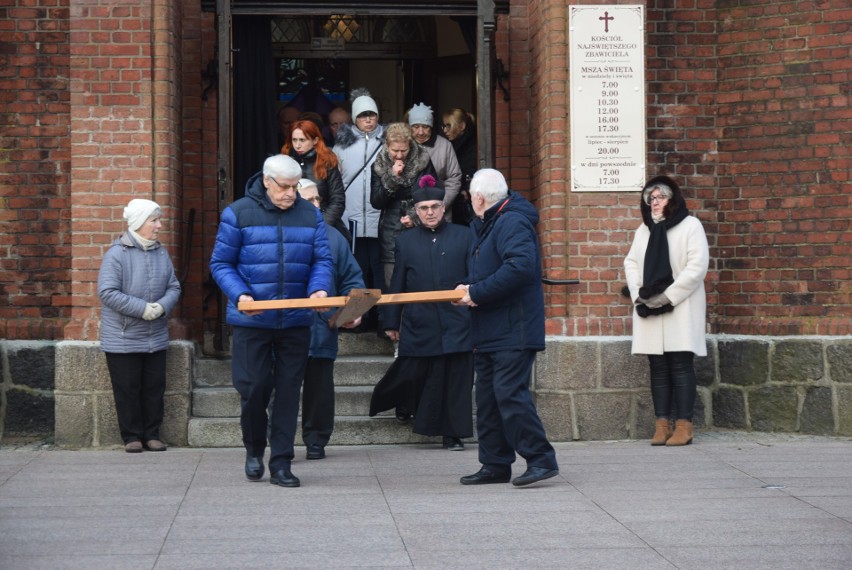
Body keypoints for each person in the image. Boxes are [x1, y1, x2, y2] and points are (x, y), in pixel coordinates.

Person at [210, 154, 333, 488]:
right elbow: (221, 263)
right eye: (284, 187)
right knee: (253, 389)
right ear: (266, 181)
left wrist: (319, 289)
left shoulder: (310, 214)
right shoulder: (237, 213)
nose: (291, 193)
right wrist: (241, 296)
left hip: (295, 321)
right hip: (253, 320)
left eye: (295, 186)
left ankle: (281, 463)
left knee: (289, 393)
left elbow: (321, 259)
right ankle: (253, 447)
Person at [455, 168, 559, 487]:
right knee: (487, 399)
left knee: (509, 394)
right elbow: (493, 270)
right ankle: (495, 463)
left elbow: (519, 267)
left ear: (479, 198)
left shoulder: (511, 221)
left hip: (513, 329)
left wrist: (477, 292)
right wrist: (469, 288)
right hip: (490, 329)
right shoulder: (491, 224)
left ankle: (541, 459)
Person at [370, 175, 474, 449]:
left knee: (455, 380)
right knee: (417, 372)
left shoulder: (464, 235)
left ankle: (452, 433)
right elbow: (399, 282)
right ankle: (404, 403)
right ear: (416, 211)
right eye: (424, 208)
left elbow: (475, 276)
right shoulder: (406, 240)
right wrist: (391, 320)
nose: (430, 212)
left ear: (443, 207)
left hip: (457, 321)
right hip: (420, 320)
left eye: (435, 207)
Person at [624, 175, 709, 446]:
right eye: (651, 198)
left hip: (679, 307)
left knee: (680, 365)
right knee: (658, 367)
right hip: (649, 307)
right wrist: (640, 294)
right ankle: (662, 424)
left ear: (673, 200)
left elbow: (696, 267)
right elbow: (632, 263)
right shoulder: (644, 229)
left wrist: (668, 296)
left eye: (660, 197)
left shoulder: (690, 226)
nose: (654, 202)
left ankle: (684, 425)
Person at [98, 199, 181, 453]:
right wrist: (143, 309)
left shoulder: (161, 253)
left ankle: (152, 434)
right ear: (139, 223)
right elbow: (108, 292)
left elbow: (174, 286)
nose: (159, 225)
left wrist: (162, 306)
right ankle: (132, 436)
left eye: (158, 220)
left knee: (154, 387)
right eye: (154, 220)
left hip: (154, 335)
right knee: (128, 389)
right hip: (122, 337)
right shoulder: (116, 254)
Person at [296, 179, 365, 460]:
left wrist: (353, 313)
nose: (316, 204)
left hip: (322, 330)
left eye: (317, 199)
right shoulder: (278, 233)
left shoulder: (334, 237)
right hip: (283, 329)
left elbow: (354, 281)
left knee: (320, 391)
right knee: (278, 391)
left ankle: (316, 441)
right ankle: (278, 440)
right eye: (309, 200)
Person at [333, 89, 385, 331]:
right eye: (363, 115)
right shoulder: (341, 146)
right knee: (357, 270)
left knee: (380, 270)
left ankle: (380, 321)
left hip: (379, 220)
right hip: (351, 219)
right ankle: (359, 321)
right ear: (354, 118)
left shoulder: (386, 142)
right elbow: (335, 183)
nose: (368, 119)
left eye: (371, 115)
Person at [369, 122, 437, 287]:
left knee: (422, 283)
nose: (399, 155)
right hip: (391, 230)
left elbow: (432, 194)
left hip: (419, 226)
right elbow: (376, 201)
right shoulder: (379, 165)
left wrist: (414, 216)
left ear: (410, 144)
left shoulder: (422, 160)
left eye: (403, 151)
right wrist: (392, 177)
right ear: (387, 146)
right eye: (395, 151)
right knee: (393, 285)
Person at [282, 119, 348, 241]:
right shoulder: (285, 161)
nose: (297, 145)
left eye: (302, 140)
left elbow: (337, 201)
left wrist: (321, 226)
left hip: (323, 224)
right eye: (294, 140)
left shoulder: (327, 162)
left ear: (315, 140)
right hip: (291, 226)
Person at [406, 103, 462, 221]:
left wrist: (441, 205)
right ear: (409, 127)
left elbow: (454, 178)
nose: (420, 132)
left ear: (431, 127)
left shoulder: (444, 145)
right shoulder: (404, 145)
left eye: (425, 127)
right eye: (416, 126)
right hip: (409, 216)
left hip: (440, 214)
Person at [441, 108, 477, 225]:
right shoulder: (454, 146)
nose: (445, 130)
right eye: (444, 126)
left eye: (449, 126)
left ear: (461, 126)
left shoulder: (471, 147)